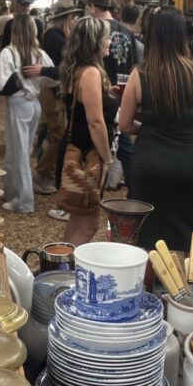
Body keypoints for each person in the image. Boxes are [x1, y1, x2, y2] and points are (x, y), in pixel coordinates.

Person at [118, 6, 193, 250]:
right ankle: (186, 281)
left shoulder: (139, 75)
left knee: (146, 228)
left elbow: (124, 124)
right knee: (189, 230)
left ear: (151, 36)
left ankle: (147, 280)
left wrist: (146, 128)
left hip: (149, 163)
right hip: (188, 164)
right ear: (181, 35)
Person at [54, 17, 117, 243]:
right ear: (95, 42)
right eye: (106, 37)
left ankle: (58, 266)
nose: (109, 41)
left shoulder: (78, 70)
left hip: (76, 150)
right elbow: (95, 122)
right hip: (86, 156)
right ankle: (65, 271)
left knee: (79, 220)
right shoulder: (91, 73)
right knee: (88, 223)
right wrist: (107, 159)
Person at [0, 15, 54, 213]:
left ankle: (24, 200)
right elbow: (53, 79)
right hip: (34, 102)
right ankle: (13, 192)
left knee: (19, 153)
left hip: (18, 103)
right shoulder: (39, 53)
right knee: (22, 151)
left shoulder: (9, 53)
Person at [22, 0, 80, 194]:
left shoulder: (54, 35)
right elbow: (59, 69)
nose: (74, 21)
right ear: (66, 18)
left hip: (52, 89)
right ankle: (42, 173)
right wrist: (47, 71)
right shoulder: (56, 38)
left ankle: (47, 170)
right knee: (58, 132)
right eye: (73, 17)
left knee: (55, 132)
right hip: (51, 91)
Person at [87, 0, 138, 84]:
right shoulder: (128, 32)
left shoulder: (94, 31)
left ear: (93, 7)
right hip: (125, 88)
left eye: (88, 8)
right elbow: (134, 65)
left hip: (102, 87)